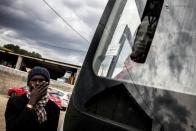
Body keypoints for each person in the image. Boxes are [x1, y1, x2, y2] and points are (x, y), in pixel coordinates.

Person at [5, 66, 60, 131]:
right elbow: (11, 128)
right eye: (34, 80)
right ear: (28, 83)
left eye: (41, 80)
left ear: (47, 84)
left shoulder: (54, 108)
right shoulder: (14, 101)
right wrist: (31, 102)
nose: (37, 83)